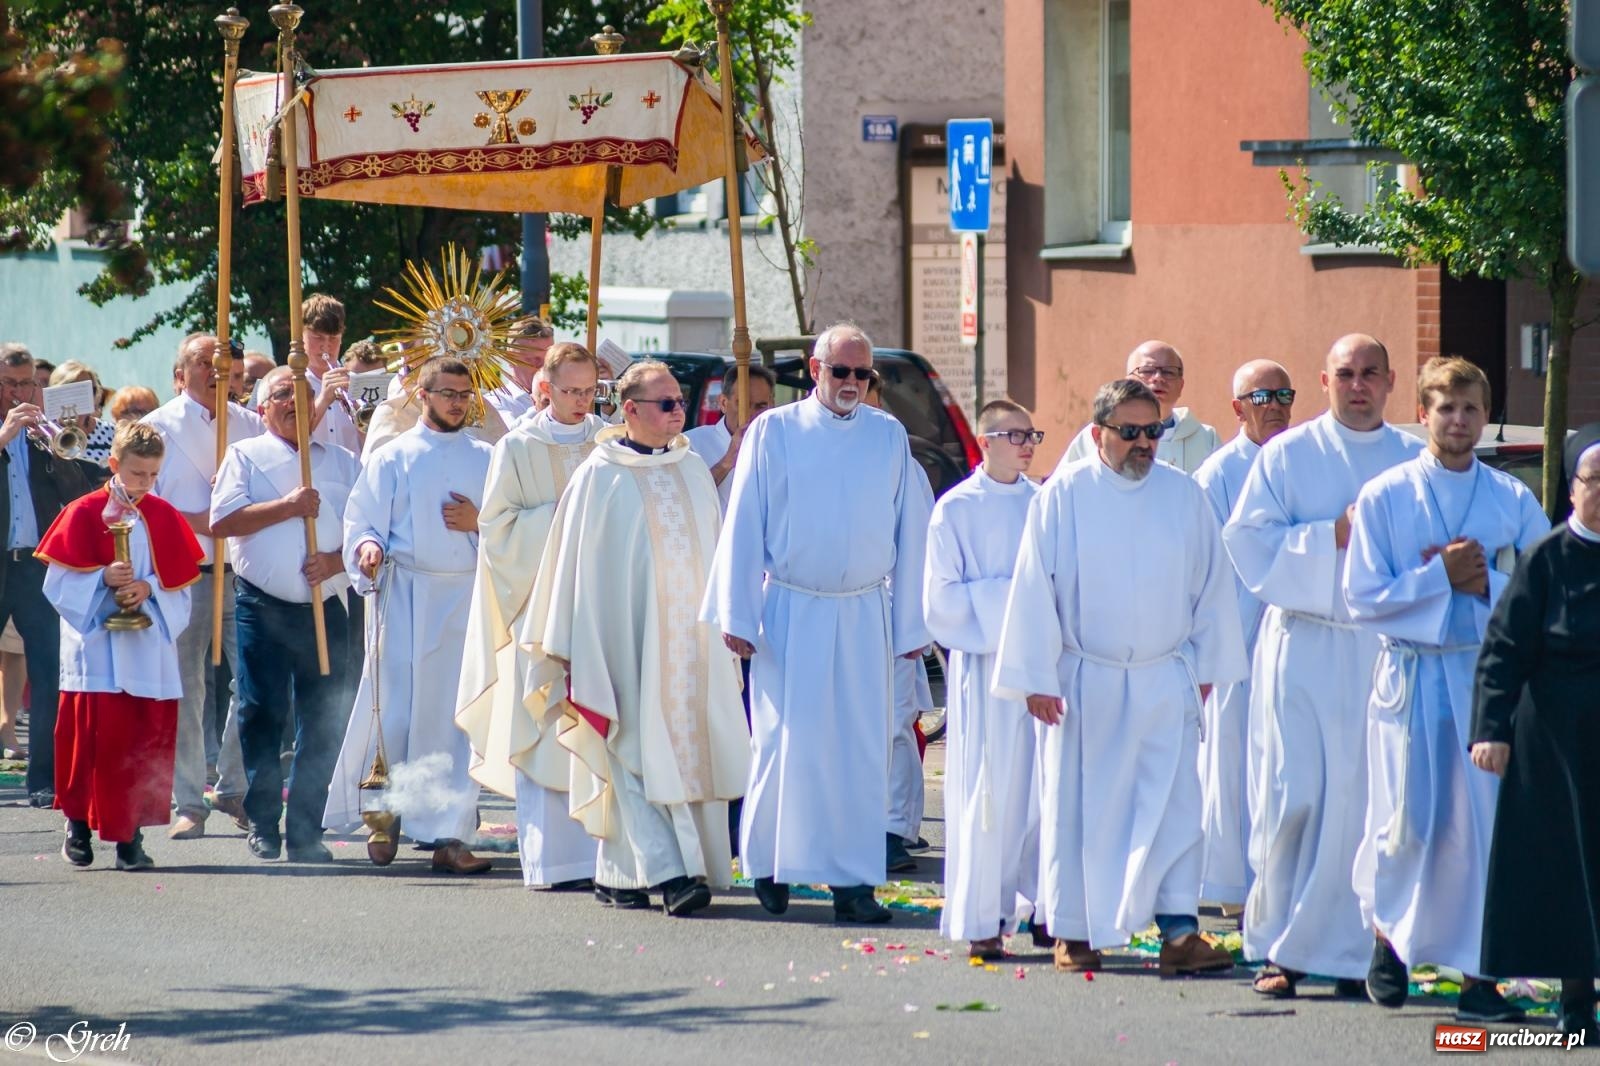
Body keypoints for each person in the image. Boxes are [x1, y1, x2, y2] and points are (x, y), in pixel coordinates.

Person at [994, 377, 1246, 976]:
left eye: (1152, 431)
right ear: (1097, 433)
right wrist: (1036, 676)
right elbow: (1033, 586)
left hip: (1164, 677)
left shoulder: (1184, 496)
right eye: (1129, 431)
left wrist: (1206, 668)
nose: (1144, 443)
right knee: (1081, 814)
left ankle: (1179, 934)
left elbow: (1213, 586)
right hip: (1088, 682)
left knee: (1175, 810)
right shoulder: (1064, 495)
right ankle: (1074, 932)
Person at [702, 324, 931, 924]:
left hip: (863, 611)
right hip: (791, 609)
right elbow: (744, 521)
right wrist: (737, 613)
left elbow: (911, 530)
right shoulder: (773, 431)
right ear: (814, 369)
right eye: (841, 371)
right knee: (786, 741)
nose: (852, 383)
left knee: (860, 749)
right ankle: (770, 862)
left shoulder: (888, 435)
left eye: (863, 374)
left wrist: (911, 625)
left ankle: (853, 883)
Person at [1343, 356, 1546, 1018]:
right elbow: (1362, 597)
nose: (1458, 420)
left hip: (1480, 676)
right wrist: (1438, 579)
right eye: (1446, 408)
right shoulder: (1386, 495)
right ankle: (1389, 941)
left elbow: (1540, 589)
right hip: (1411, 675)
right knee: (1405, 822)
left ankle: (1479, 978)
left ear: (1485, 418)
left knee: (1481, 828)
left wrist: (1483, 580)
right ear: (1423, 413)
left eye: (1471, 409)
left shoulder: (1510, 498)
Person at [1224, 333, 1423, 998]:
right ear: (1325, 380)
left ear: (1390, 381)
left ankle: (1359, 953)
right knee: (1295, 797)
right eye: (1345, 374)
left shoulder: (1412, 459)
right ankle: (1280, 946)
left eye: (1370, 373)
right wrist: (1330, 535)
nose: (1358, 385)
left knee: (1370, 806)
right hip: (1305, 645)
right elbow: (1247, 542)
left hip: (1378, 651)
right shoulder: (1287, 454)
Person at [520, 360, 749, 915]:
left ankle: (619, 875)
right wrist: (582, 643)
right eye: (666, 404)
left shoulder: (692, 469)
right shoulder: (601, 475)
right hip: (623, 644)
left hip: (692, 647)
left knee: (682, 755)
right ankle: (672, 875)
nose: (678, 414)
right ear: (630, 410)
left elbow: (715, 552)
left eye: (681, 403)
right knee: (634, 750)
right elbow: (576, 568)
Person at [324, 357, 494, 874]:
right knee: (392, 711)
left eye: (464, 394)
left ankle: (449, 836)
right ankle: (384, 816)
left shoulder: (488, 457)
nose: (458, 403)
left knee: (454, 719)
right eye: (448, 393)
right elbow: (362, 520)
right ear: (423, 395)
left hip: (464, 599)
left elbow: (509, 527)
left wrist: (479, 522)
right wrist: (368, 547)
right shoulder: (391, 457)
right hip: (404, 598)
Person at [455, 343, 607, 891]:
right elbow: (497, 529)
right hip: (538, 609)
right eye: (572, 391)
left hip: (598, 610)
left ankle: (601, 857)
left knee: (594, 723)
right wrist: (564, 516)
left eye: (590, 391)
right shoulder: (517, 446)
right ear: (545, 388)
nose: (582, 401)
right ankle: (553, 863)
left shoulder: (609, 444)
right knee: (544, 726)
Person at [1471, 441, 1600, 1042]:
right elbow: (1505, 647)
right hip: (1556, 737)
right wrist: (1491, 729)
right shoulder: (1547, 557)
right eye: (1595, 480)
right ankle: (1575, 1002)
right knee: (1567, 869)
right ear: (1573, 489)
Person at [38, 421, 204, 870]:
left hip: (147, 649)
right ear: (114, 464)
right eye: (136, 473)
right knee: (89, 744)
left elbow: (181, 590)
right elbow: (57, 585)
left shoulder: (164, 515)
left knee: (139, 746)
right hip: (96, 652)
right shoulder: (82, 511)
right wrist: (101, 579)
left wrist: (148, 589)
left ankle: (130, 838)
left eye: (152, 475)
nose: (144, 483)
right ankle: (77, 825)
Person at [211, 366, 359, 864]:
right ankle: (262, 820)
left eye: (304, 393)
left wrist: (336, 561)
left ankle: (305, 829)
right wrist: (288, 506)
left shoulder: (342, 461)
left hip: (326, 604)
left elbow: (366, 528)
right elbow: (223, 520)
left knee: (323, 718)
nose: (295, 401)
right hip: (262, 605)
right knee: (261, 712)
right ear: (262, 408)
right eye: (282, 394)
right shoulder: (244, 455)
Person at [924, 398, 1045, 960]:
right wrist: (1018, 600)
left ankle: (1045, 907)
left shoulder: (1043, 504)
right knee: (990, 793)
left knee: (1042, 793)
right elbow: (941, 602)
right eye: (1015, 435)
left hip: (1040, 669)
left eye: (1032, 435)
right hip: (986, 669)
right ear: (986, 441)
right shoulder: (955, 509)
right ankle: (983, 915)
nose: (1026, 445)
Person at [142, 333, 264, 839]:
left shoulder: (250, 424)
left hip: (242, 571)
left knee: (252, 684)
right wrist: (205, 519)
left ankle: (232, 784)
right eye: (203, 361)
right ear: (181, 373)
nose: (216, 369)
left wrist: (235, 506)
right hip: (185, 573)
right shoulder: (157, 426)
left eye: (224, 361)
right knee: (186, 689)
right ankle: (189, 800)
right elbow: (144, 501)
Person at [1192, 359, 1295, 909]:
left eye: (1283, 395)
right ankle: (1232, 882)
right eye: (1261, 397)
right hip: (1236, 636)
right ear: (1237, 408)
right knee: (1232, 762)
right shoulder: (1218, 474)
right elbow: (1204, 567)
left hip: (1296, 633)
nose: (1274, 406)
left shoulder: (1299, 462)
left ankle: (1283, 877)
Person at [0, 343, 99, 807]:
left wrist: (59, 446)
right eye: (9, 384)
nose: (19, 393)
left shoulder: (41, 433)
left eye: (27, 384)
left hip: (34, 567)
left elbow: (76, 493)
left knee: (48, 674)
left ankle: (43, 780)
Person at [862, 370, 935, 871]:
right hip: (828, 607)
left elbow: (919, 546)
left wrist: (915, 623)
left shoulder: (902, 463)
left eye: (870, 401)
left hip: (888, 607)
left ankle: (892, 827)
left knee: (893, 721)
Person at [1062, 342, 1220, 474]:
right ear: (1128, 382)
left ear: (1181, 385)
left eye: (1169, 372)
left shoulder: (1206, 438)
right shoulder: (1101, 435)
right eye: (1147, 371)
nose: (1158, 378)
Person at [685, 363, 778, 513]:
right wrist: (726, 462)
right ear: (723, 403)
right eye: (742, 404)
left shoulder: (781, 445)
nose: (751, 414)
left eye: (760, 406)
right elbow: (686, 498)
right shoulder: (692, 444)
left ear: (772, 406)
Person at [300, 294, 362, 454]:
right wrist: (323, 399)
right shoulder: (292, 384)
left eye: (333, 338)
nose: (326, 346)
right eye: (318, 337)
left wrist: (358, 409)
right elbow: (294, 436)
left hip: (352, 468)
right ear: (301, 335)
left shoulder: (357, 381)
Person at [484, 318, 554, 426]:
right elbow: (507, 433)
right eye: (532, 359)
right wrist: (541, 408)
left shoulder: (567, 396)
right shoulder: (495, 401)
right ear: (510, 359)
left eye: (548, 360)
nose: (543, 367)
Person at [48, 361, 115, 467]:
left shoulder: (111, 432)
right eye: (72, 391)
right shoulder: (45, 433)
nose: (83, 397)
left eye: (90, 390)